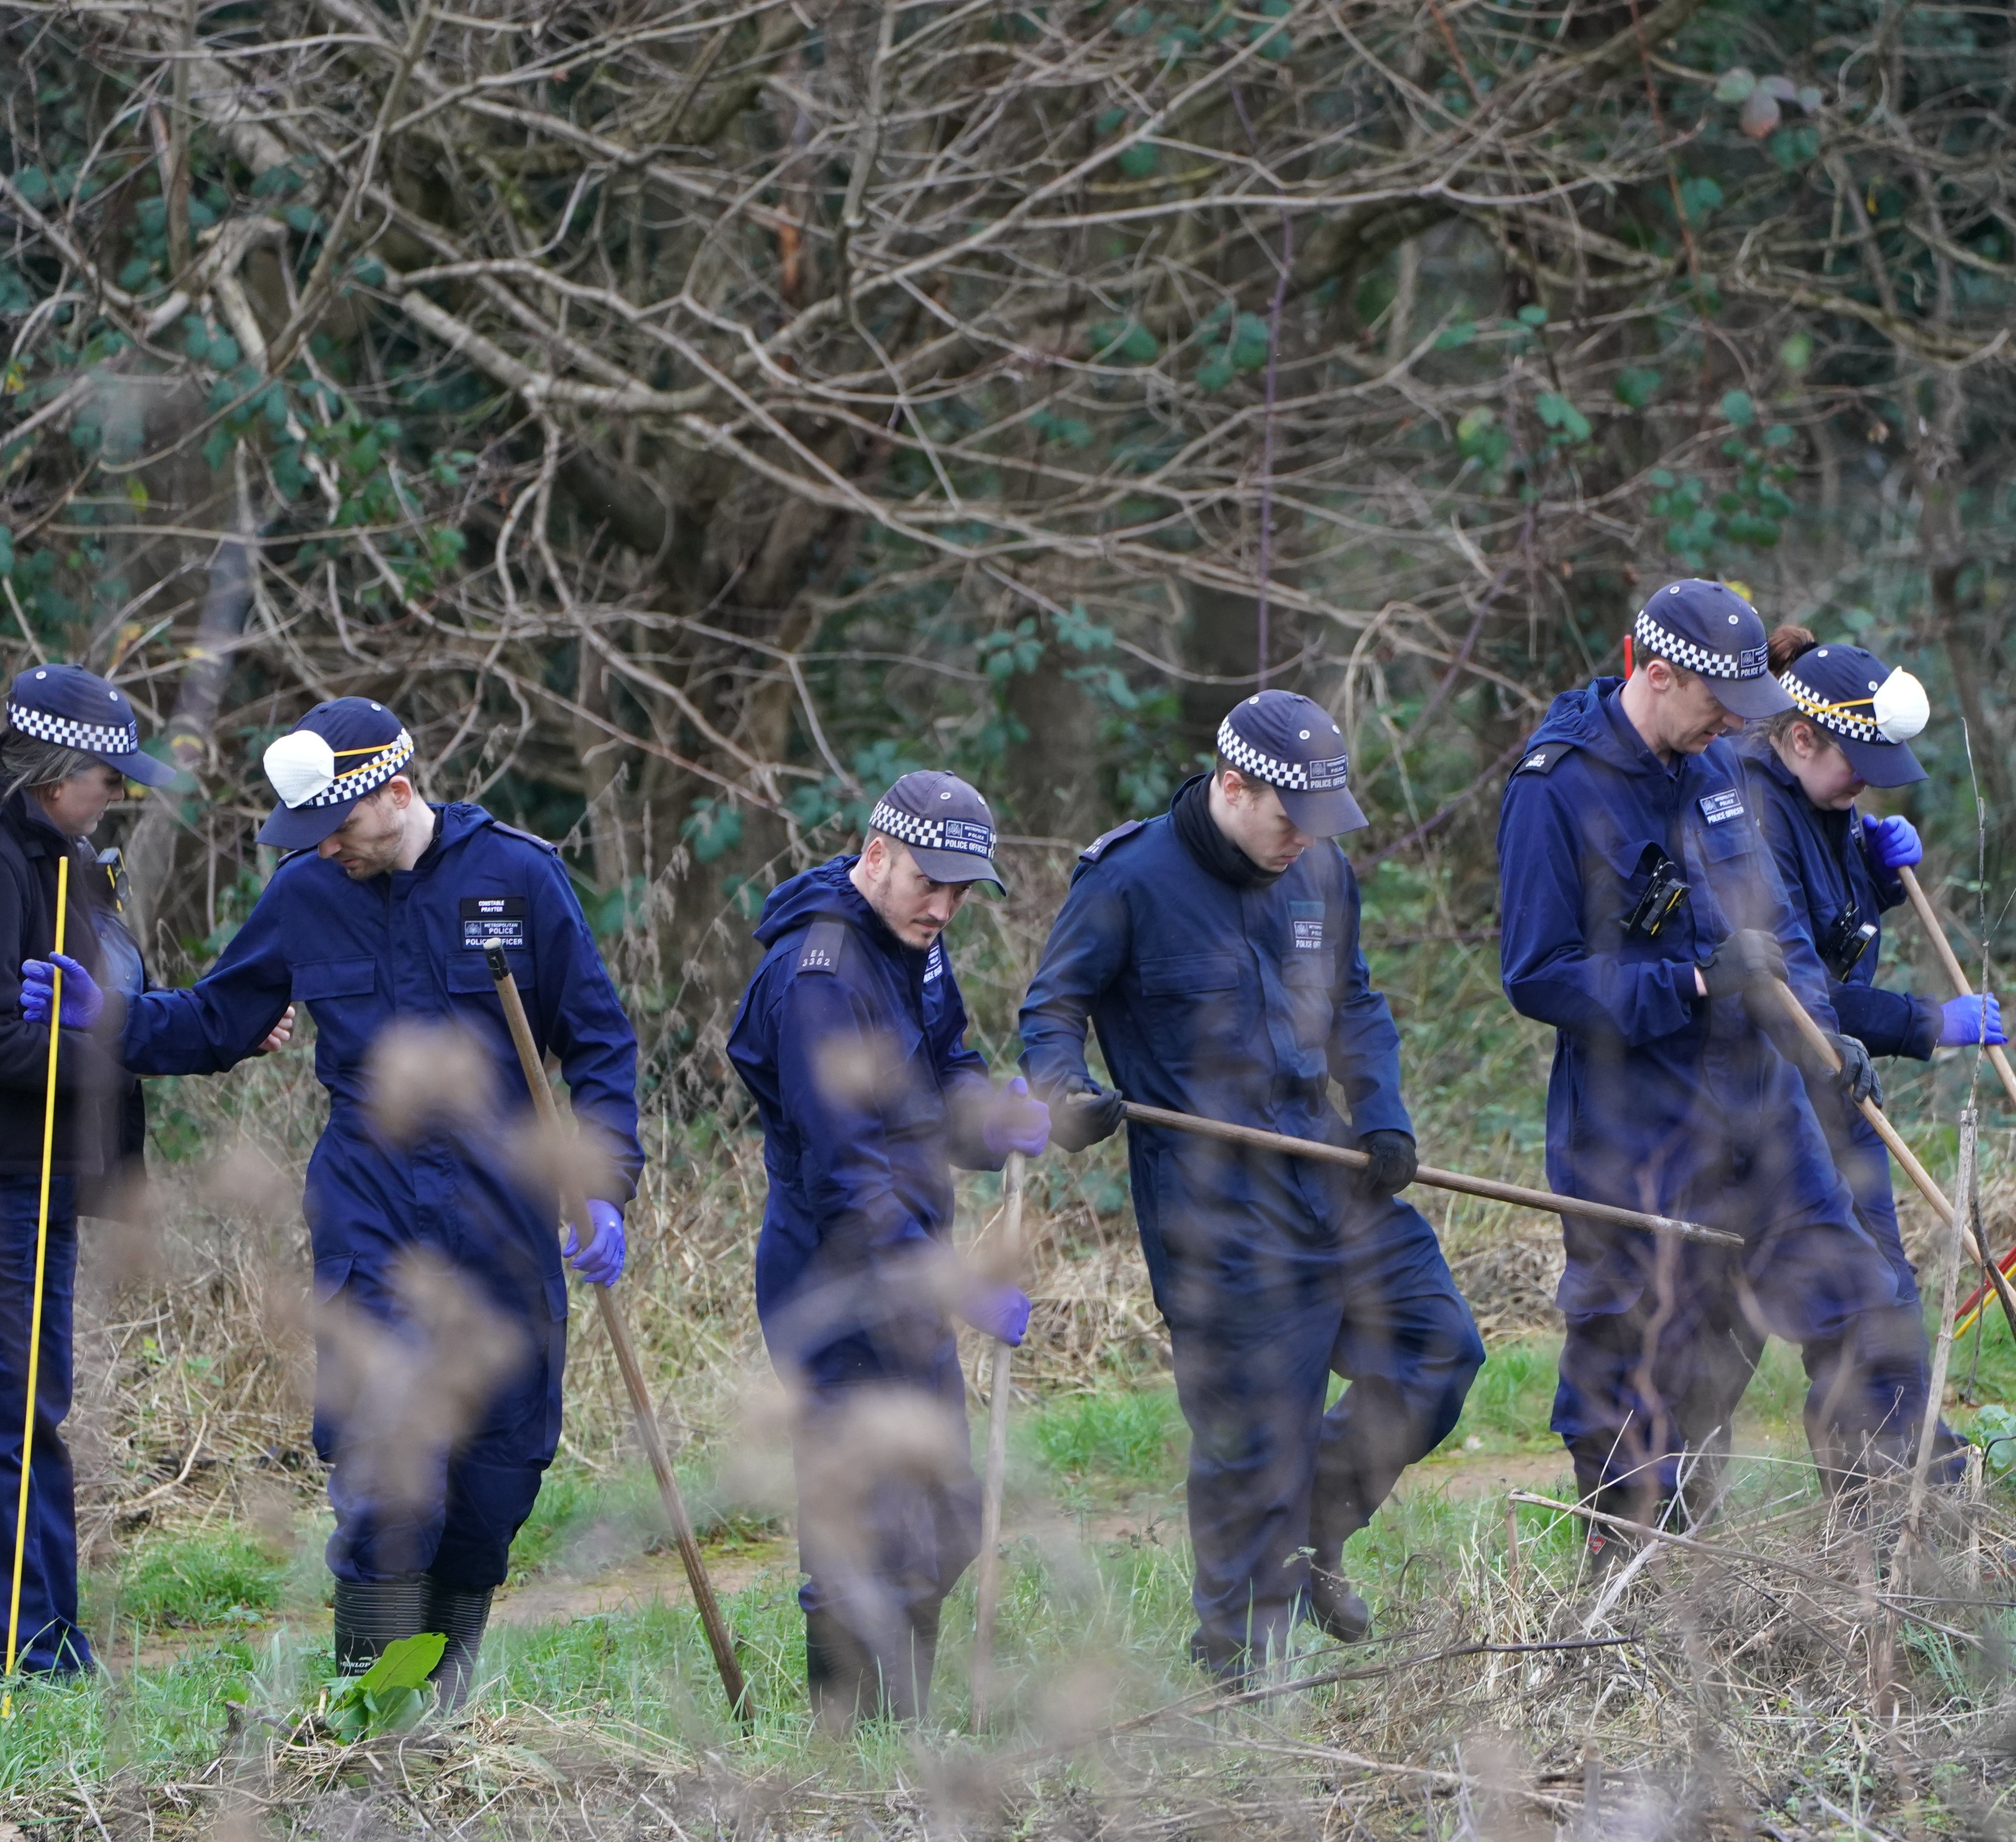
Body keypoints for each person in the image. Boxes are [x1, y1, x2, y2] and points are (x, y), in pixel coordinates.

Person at [42, 696, 641, 1703]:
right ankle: (370, 1718)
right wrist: (107, 1016)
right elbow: (218, 1017)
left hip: (505, 1228)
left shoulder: (521, 878)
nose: (325, 847)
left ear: (398, 793)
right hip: (371, 1223)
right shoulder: (307, 894)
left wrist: (605, 1184)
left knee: (496, 1482)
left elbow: (602, 1040)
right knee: (386, 1475)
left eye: (339, 825)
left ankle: (444, 1710)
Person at [1021, 691, 1485, 1680]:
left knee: (1439, 1349)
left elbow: (1355, 998)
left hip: (1333, 1176)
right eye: (1290, 815)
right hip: (1218, 1215)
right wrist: (1063, 1090)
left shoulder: (1318, 865)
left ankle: (1315, 1524)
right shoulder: (1129, 881)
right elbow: (1053, 1004)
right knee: (1250, 1443)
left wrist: (1384, 1111)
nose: (1304, 838)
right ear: (1234, 785)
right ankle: (1237, 1667)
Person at [1495, 579, 1943, 1549]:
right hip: (1638, 1133)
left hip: (1767, 1120)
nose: (1736, 725)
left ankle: (1891, 1566)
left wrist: (1826, 1045)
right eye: (1719, 706)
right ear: (1655, 674)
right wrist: (1691, 984)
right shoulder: (1555, 789)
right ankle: (1631, 1598)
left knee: (1869, 1318)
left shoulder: (1713, 769)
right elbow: (1537, 975)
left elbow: (1773, 932)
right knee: (1653, 1386)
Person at [0, 664, 202, 1677]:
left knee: (33, 1414)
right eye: (107, 774)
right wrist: (112, 1047)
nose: (117, 791)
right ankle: (8, 1660)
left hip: (33, 1180)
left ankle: (55, 1646)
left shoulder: (68, 857)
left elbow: (90, 1008)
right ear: (55, 770)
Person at [725, 772, 1050, 1724]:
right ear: (877, 855)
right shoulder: (819, 977)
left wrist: (993, 1121)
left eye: (959, 890)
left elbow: (943, 1063)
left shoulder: (916, 949)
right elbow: (848, 1177)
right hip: (833, 1278)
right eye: (927, 882)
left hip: (907, 1270)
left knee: (944, 1514)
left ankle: (899, 1723)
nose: (944, 906)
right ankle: (846, 1739)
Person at [1734, 627, 2006, 1311]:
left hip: (1840, 1071)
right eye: (1858, 765)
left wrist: (1877, 877)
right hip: (1777, 1083)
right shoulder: (1755, 817)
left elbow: (1833, 920)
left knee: (1885, 1275)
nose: (1867, 784)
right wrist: (1929, 1022)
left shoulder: (1826, 800)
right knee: (1822, 1289)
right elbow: (1801, 989)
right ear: (1801, 740)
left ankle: (1905, 1422)